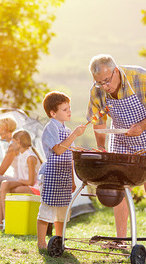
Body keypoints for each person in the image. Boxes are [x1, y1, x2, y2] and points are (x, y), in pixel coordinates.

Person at [86, 54, 146, 256]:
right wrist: (101, 147)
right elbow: (98, 120)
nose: (105, 86)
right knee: (119, 188)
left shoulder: (141, 77)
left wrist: (141, 126)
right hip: (121, 138)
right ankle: (122, 240)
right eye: (99, 82)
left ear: (115, 71)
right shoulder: (97, 91)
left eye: (107, 80)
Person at [37, 91, 86, 250]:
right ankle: (41, 243)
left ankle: (59, 242)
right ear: (53, 113)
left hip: (64, 175)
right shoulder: (50, 128)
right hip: (51, 174)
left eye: (69, 108)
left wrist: (72, 180)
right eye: (65, 109)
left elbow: (69, 157)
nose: (69, 111)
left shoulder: (66, 129)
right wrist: (74, 134)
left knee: (61, 212)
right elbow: (58, 150)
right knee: (47, 210)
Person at [0, 130, 41, 231]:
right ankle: (2, 221)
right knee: (1, 190)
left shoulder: (30, 157)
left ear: (19, 142)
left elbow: (30, 182)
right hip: (26, 185)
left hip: (35, 189)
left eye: (13, 142)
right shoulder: (21, 155)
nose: (12, 145)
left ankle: (6, 222)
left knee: (4, 187)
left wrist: (18, 180)